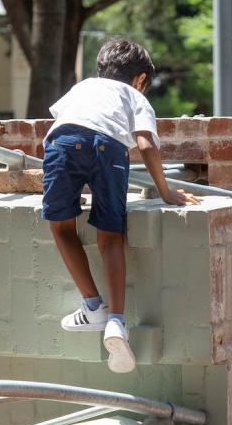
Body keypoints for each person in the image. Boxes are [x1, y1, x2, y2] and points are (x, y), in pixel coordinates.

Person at [41, 38, 199, 373]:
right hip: (110, 149)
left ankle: (92, 305)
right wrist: (166, 191)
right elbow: (145, 143)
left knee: (61, 225)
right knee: (111, 235)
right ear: (141, 79)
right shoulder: (135, 96)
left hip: (63, 143)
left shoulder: (83, 87)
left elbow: (67, 124)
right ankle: (116, 320)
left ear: (101, 69)